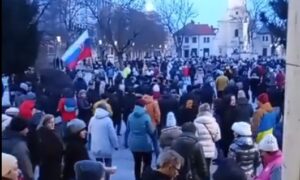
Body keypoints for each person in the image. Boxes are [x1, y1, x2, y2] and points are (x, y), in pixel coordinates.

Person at [125, 99, 159, 180]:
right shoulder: (146, 117)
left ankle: (137, 178)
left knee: (137, 163)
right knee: (147, 163)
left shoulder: (130, 116)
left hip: (133, 143)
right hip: (145, 143)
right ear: (143, 106)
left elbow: (128, 128)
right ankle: (145, 178)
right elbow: (151, 131)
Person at [88, 103, 119, 180]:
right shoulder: (108, 120)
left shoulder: (92, 119)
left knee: (99, 164)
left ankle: (99, 177)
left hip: (96, 146)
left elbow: (89, 131)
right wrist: (116, 145)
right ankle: (107, 178)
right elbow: (112, 135)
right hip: (106, 147)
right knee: (108, 164)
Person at [194, 103, 221, 179]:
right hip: (210, 150)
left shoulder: (196, 122)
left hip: (199, 150)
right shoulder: (214, 122)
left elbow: (195, 137)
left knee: (200, 170)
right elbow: (217, 138)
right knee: (207, 169)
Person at [36, 114, 64, 180]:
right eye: (50, 122)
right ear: (44, 123)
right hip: (49, 165)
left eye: (53, 122)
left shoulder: (54, 134)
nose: (52, 124)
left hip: (54, 165)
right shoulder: (43, 135)